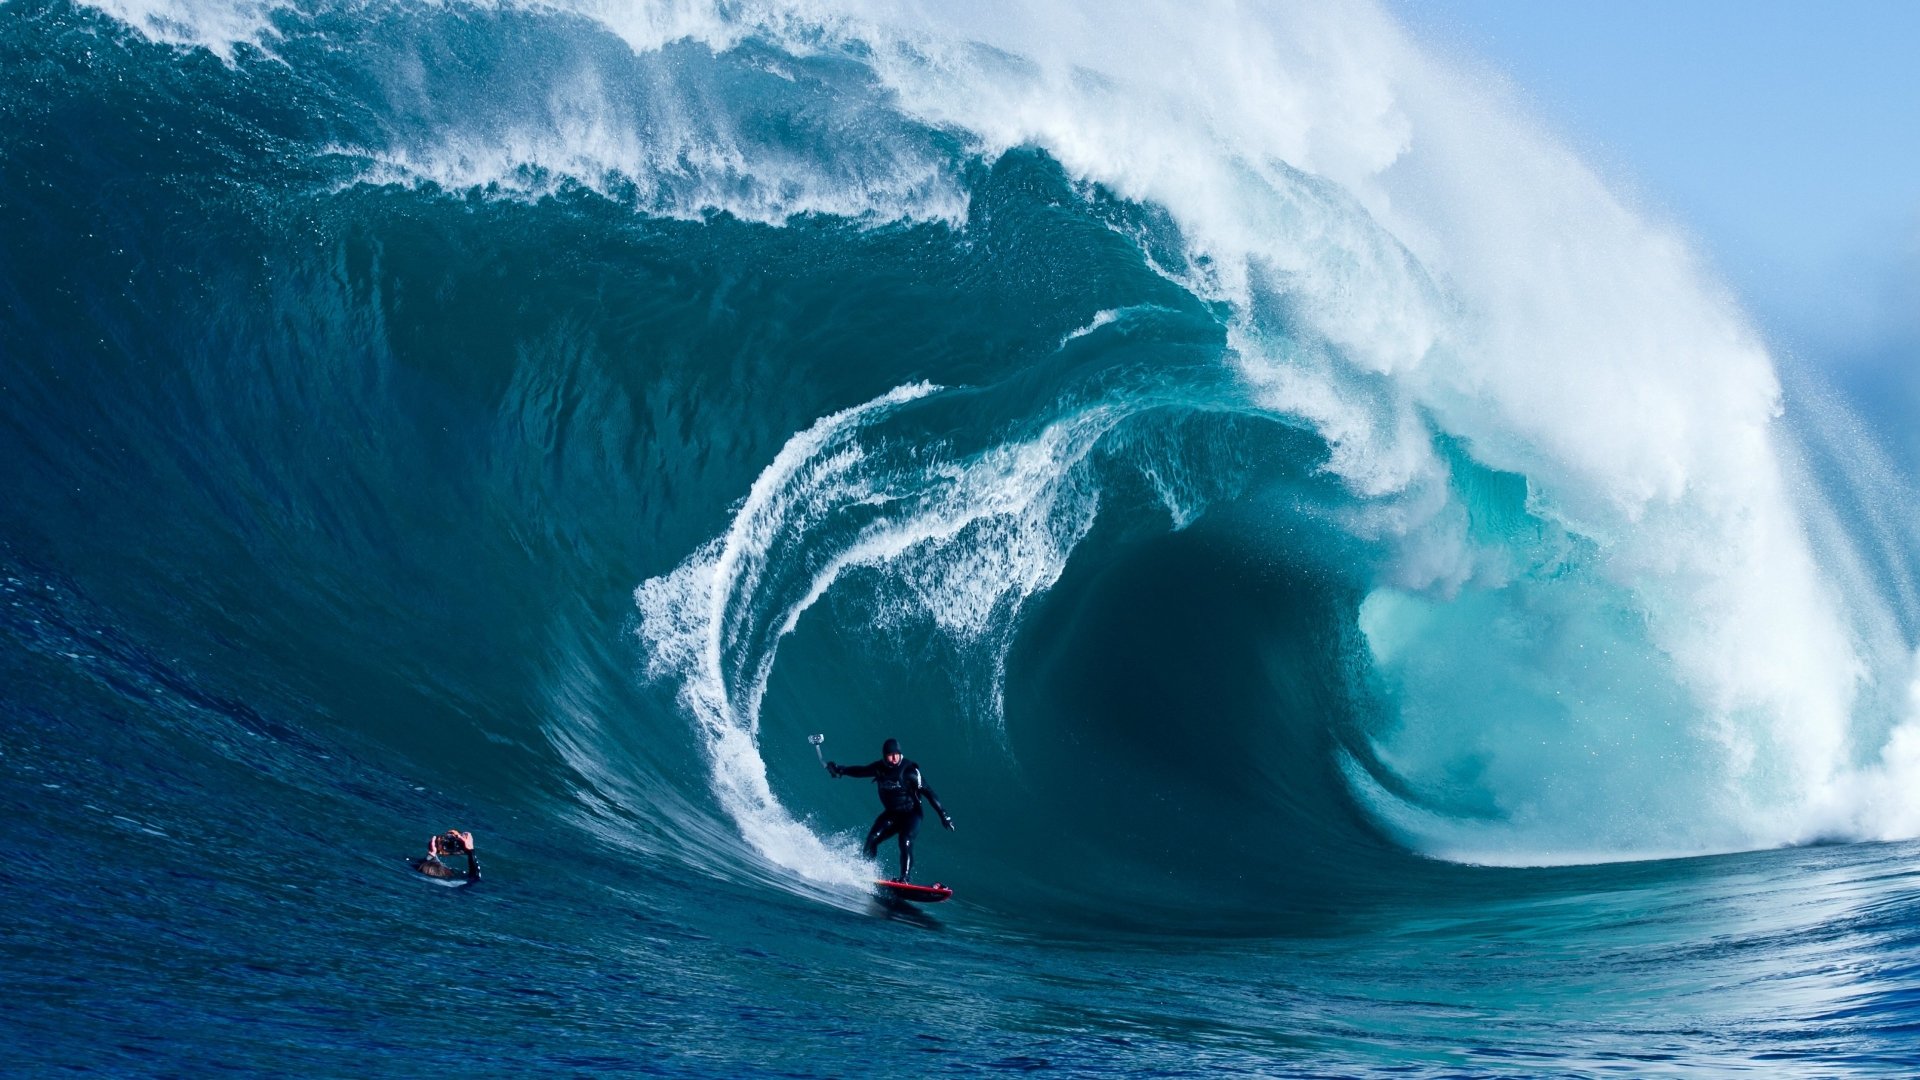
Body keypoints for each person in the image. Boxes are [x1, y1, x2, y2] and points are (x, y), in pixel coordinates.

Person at [827, 738, 953, 883]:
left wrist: (944, 815)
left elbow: (929, 792)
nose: (894, 758)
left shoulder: (910, 771)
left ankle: (905, 878)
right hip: (892, 814)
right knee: (872, 839)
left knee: (904, 840)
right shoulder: (879, 768)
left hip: (911, 814)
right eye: (890, 755)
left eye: (896, 754)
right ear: (884, 756)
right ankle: (867, 872)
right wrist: (840, 769)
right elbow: (860, 771)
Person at [411, 829, 481, 885]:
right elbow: (475, 878)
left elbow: (417, 866)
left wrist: (431, 854)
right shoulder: (454, 883)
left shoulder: (418, 873)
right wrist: (470, 851)